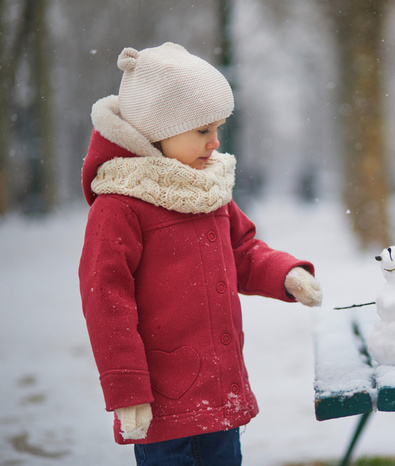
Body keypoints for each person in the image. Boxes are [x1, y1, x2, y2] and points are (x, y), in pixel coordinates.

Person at [78, 42, 323, 465]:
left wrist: (285, 273)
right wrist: (126, 388)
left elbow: (242, 251)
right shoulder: (119, 206)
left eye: (218, 128)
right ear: (156, 130)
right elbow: (106, 302)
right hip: (165, 402)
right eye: (202, 131)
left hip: (220, 392)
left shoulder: (207, 190)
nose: (215, 142)